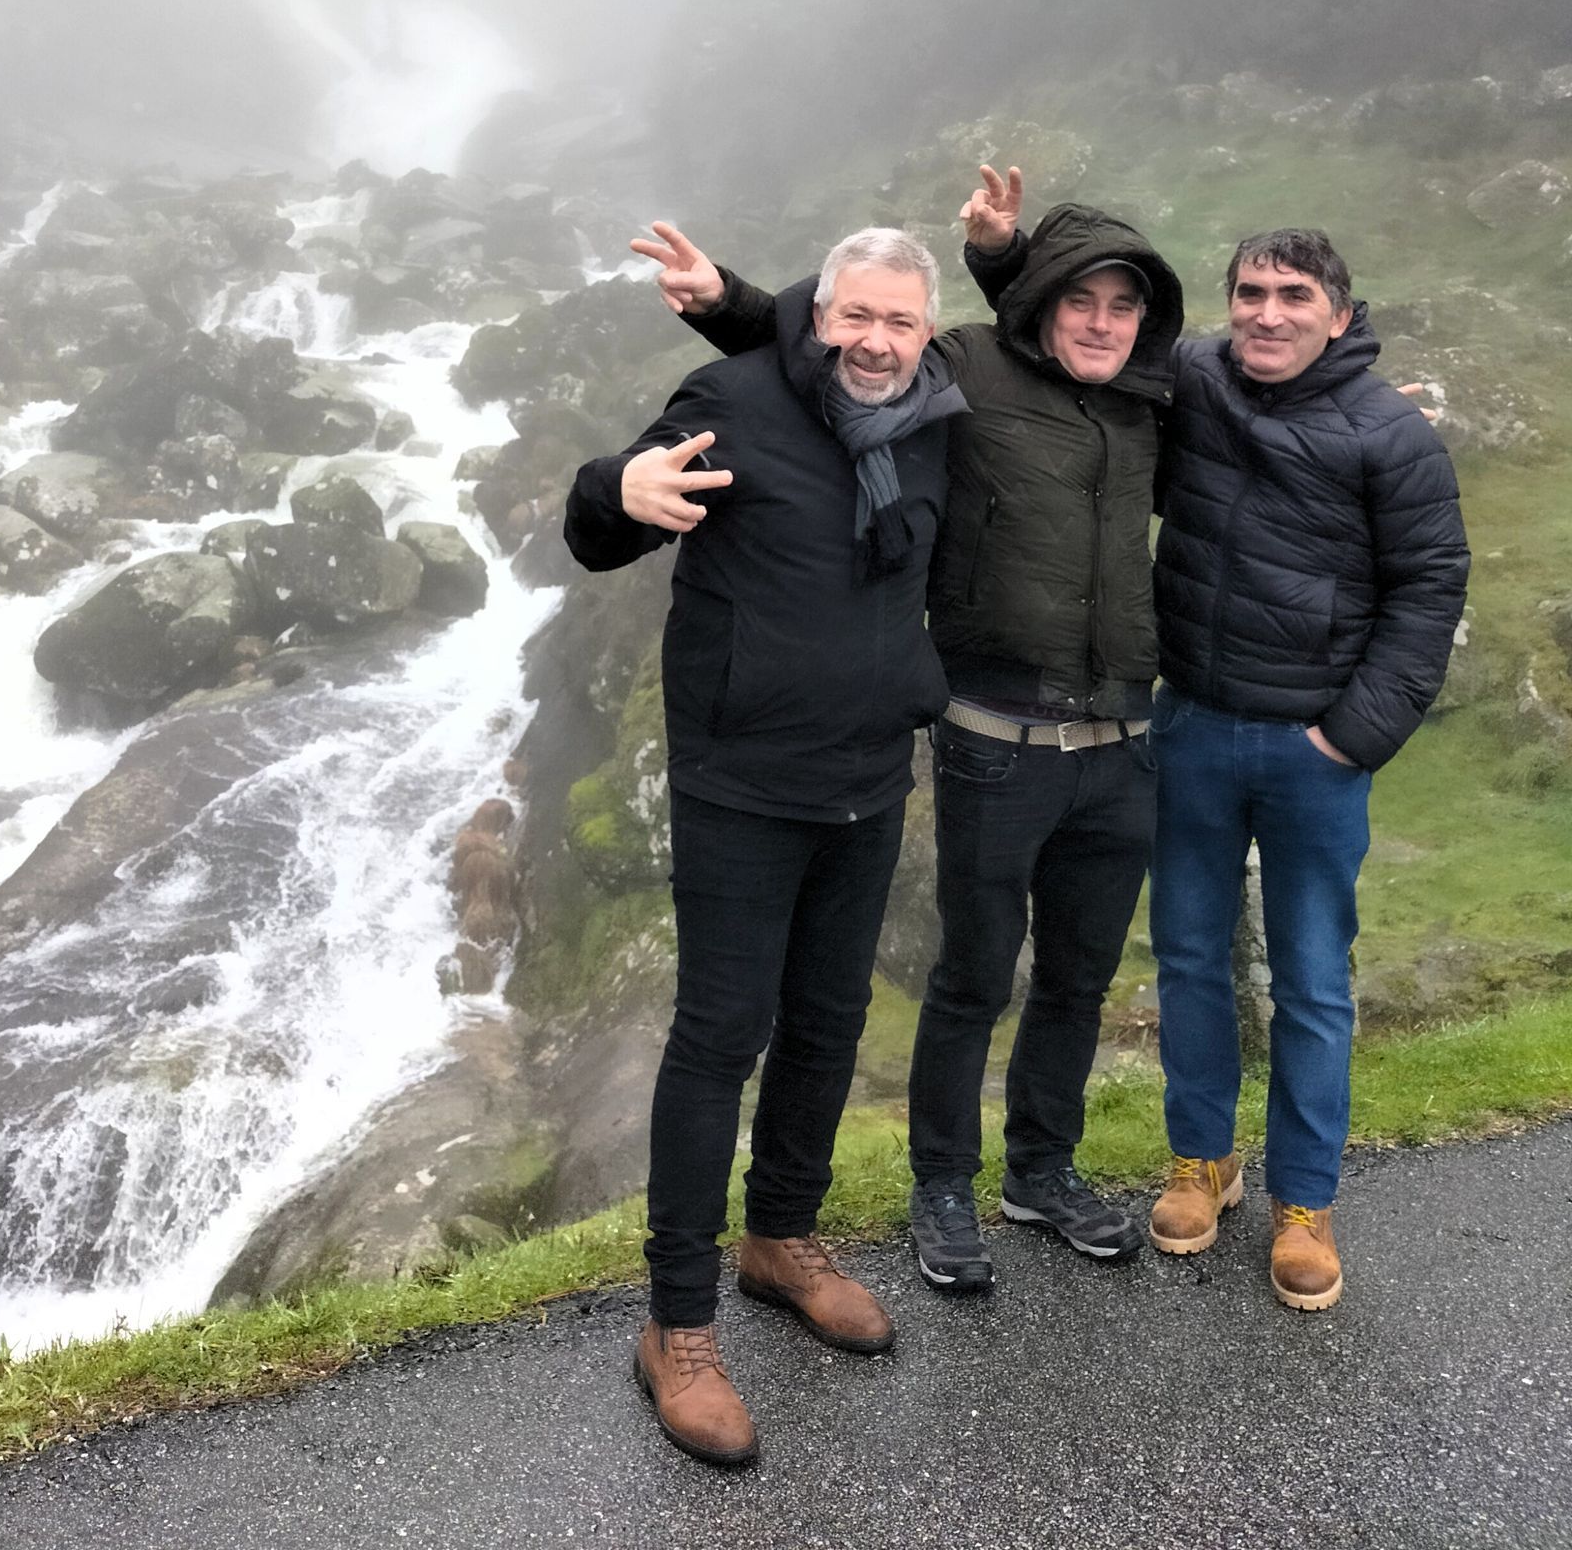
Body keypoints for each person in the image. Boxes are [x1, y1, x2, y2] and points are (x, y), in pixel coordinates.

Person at [638, 177, 1184, 1299]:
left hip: (1112, 735)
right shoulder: (966, 373)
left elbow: (872, 336)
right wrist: (723, 303)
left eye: (1123, 304)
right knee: (962, 978)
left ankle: (1033, 1170)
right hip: (974, 735)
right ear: (1035, 301)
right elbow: (840, 341)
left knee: (1067, 979)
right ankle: (932, 1188)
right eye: (1077, 296)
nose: (1100, 319)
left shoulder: (1151, 401)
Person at [966, 201, 1469, 1311]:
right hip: (1189, 724)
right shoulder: (1191, 375)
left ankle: (1305, 1200)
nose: (1269, 313)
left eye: (1294, 296)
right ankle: (1203, 1162)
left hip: (1315, 751)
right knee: (1188, 958)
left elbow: (1430, 591)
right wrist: (1000, 256)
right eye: (1251, 292)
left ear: (1339, 316)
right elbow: (1076, 341)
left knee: (1312, 982)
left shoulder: (1393, 434)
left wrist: (1355, 734)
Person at [564, 227, 964, 1468]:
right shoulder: (730, 397)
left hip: (867, 772)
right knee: (718, 1035)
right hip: (741, 780)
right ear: (817, 312)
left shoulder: (937, 410)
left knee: (831, 1019)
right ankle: (677, 1324)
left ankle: (780, 1236)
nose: (878, 341)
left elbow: (1086, 360)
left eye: (902, 321)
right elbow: (603, 521)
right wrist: (612, 492)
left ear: (926, 328)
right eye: (857, 316)